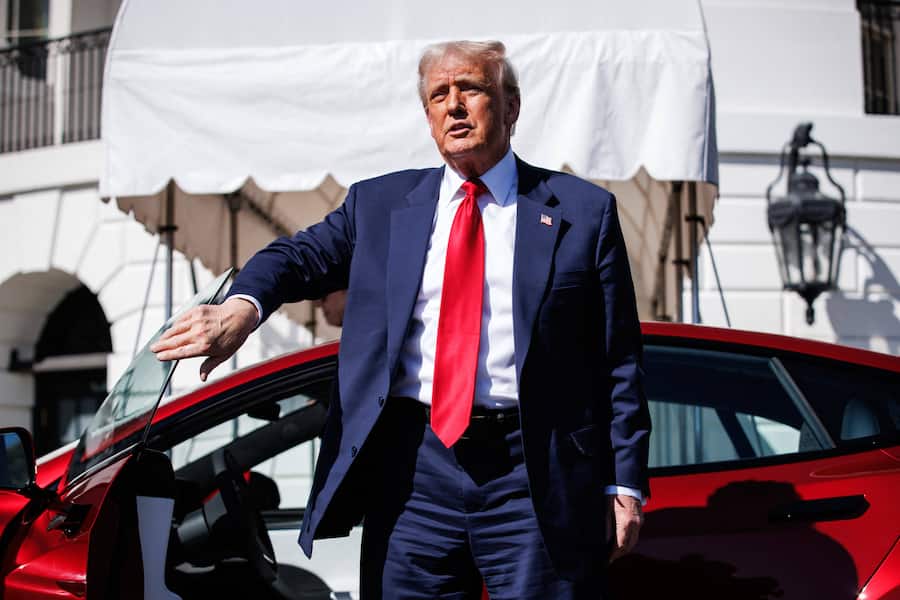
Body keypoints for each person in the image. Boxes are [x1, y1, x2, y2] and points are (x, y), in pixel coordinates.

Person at [152, 40, 650, 599]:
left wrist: (624, 482)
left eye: (472, 89)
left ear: (511, 106)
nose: (454, 106)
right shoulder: (381, 206)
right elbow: (297, 258)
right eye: (440, 95)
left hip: (531, 471)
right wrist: (242, 310)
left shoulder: (581, 212)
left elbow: (618, 362)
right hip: (417, 471)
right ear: (428, 117)